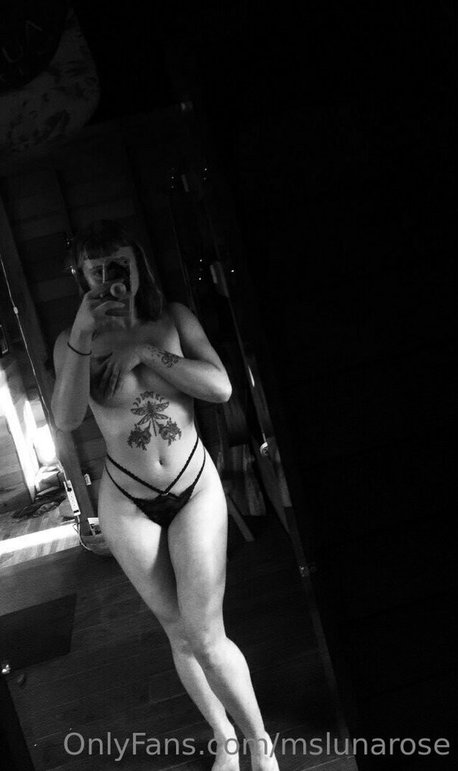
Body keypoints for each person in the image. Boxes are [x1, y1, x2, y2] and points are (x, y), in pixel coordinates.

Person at [51, 220, 279, 771]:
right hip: (126, 501)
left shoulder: (173, 319)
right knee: (178, 633)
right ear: (81, 277)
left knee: (206, 634)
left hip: (194, 487)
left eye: (119, 264)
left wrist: (147, 353)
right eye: (95, 270)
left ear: (139, 265)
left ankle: (260, 744)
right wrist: (82, 333)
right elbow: (67, 418)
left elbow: (220, 388)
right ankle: (224, 737)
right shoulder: (73, 343)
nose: (110, 277)